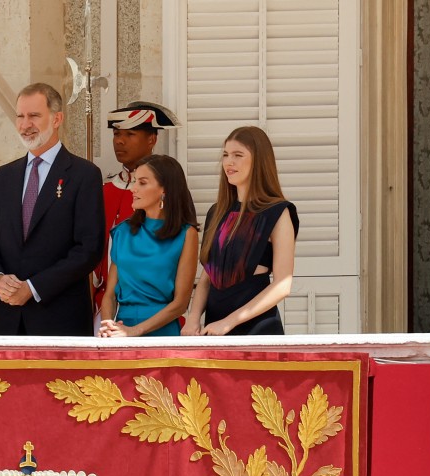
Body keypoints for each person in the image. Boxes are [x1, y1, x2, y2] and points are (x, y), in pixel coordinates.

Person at [0, 83, 105, 336]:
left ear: (57, 119)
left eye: (34, 116)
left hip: (61, 322)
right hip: (9, 322)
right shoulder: (0, 178)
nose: (25, 124)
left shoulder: (84, 175)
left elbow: (88, 249)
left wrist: (33, 288)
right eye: (20, 116)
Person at [182, 126, 298, 336]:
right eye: (226, 155)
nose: (228, 162)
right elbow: (207, 278)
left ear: (259, 161)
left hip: (257, 330)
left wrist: (229, 322)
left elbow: (283, 284)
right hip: (214, 328)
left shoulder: (278, 212)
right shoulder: (216, 212)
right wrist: (192, 318)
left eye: (238, 155)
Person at [94, 102, 181, 315]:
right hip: (103, 306)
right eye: (116, 134)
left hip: (151, 307)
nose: (120, 141)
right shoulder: (104, 190)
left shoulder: (165, 191)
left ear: (152, 139)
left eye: (130, 134)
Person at [98, 154, 198, 337]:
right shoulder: (122, 232)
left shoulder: (186, 234)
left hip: (163, 334)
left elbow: (180, 304)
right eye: (134, 181)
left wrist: (135, 331)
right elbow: (110, 295)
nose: (133, 189)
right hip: (120, 332)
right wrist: (108, 327)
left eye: (142, 183)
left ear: (164, 190)